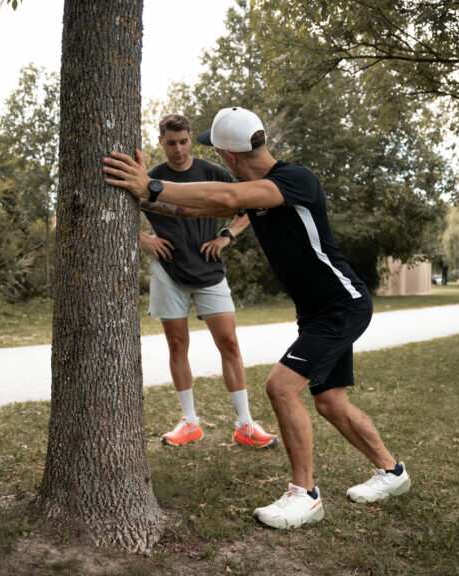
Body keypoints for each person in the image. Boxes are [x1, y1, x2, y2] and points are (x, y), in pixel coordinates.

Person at [104, 106, 410, 530]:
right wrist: (141, 196)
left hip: (342, 304)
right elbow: (197, 209)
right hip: (319, 311)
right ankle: (392, 472)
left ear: (228, 156)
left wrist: (153, 185)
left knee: (280, 388)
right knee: (330, 401)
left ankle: (305, 496)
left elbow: (229, 200)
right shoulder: (256, 190)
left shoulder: (294, 179)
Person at [140, 113, 278, 450]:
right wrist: (145, 239)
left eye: (183, 141)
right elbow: (121, 210)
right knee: (177, 345)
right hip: (168, 270)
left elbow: (249, 201)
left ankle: (245, 425)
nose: (178, 149)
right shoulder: (152, 179)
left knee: (229, 343)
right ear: (161, 142)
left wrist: (226, 236)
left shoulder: (212, 172)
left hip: (209, 269)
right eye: (171, 143)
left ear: (190, 139)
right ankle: (189, 422)